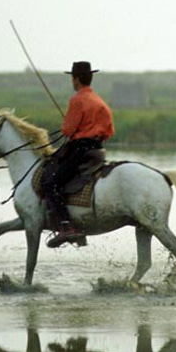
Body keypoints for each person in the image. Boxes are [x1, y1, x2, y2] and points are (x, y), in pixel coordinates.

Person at [42, 61, 115, 248]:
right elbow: (109, 131)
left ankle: (66, 227)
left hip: (80, 150)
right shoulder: (100, 101)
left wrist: (70, 126)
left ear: (76, 79)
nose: (72, 82)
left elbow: (67, 130)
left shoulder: (77, 100)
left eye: (72, 78)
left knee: (52, 184)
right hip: (98, 150)